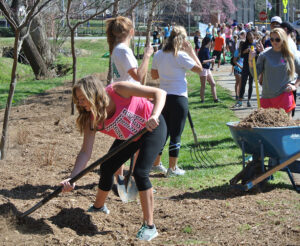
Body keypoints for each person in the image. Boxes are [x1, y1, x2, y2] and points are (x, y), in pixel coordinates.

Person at [60, 75, 167, 241]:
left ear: (93, 94)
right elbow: (85, 152)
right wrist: (73, 178)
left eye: (82, 99)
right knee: (107, 167)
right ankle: (98, 207)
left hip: (152, 127)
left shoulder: (118, 90)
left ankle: (150, 226)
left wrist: (154, 115)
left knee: (140, 173)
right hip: (130, 136)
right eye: (78, 100)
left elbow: (159, 92)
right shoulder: (90, 119)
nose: (79, 103)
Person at [150, 25, 203, 177]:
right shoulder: (180, 55)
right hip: (179, 96)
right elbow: (200, 69)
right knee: (176, 134)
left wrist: (166, 74)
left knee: (163, 133)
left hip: (163, 97)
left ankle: (156, 163)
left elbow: (154, 75)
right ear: (182, 40)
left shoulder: (159, 54)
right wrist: (191, 51)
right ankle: (172, 169)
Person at [249, 28, 300, 119]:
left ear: (283, 39)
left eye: (277, 39)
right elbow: (255, 74)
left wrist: (295, 86)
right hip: (267, 96)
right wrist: (250, 61)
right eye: (272, 39)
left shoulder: (290, 55)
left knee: (285, 128)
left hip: (284, 96)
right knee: (267, 127)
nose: (274, 42)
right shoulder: (264, 55)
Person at [235, 31, 255, 107]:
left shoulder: (255, 44)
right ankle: (240, 100)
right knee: (243, 83)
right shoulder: (244, 44)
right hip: (246, 66)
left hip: (253, 67)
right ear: (247, 37)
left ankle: (249, 100)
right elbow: (241, 55)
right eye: (249, 35)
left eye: (251, 35)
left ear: (253, 36)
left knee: (251, 84)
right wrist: (246, 51)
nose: (250, 37)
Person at [198, 36, 219, 103]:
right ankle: (202, 100)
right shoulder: (203, 50)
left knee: (213, 84)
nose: (212, 43)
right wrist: (210, 60)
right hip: (203, 69)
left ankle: (215, 99)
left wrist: (212, 58)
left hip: (207, 69)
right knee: (203, 85)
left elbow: (207, 59)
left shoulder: (207, 49)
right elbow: (202, 61)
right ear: (209, 42)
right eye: (211, 42)